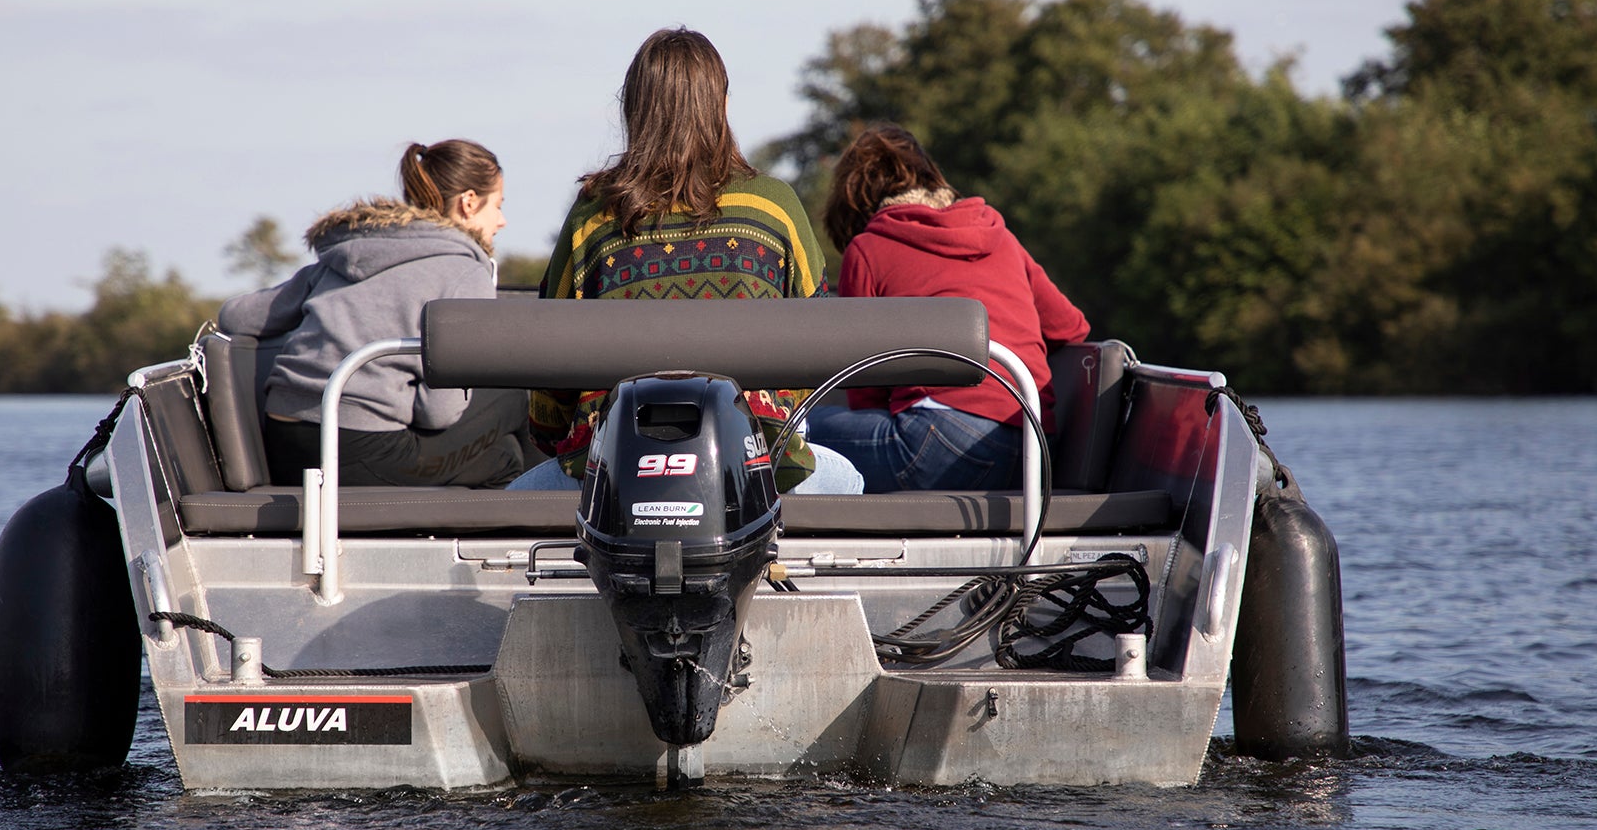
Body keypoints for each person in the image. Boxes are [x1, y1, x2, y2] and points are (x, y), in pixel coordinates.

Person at [511, 28, 862, 495]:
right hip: (758, 473)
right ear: (721, 105)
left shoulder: (592, 217)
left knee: (510, 510)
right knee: (851, 480)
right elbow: (820, 345)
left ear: (632, 108)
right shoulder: (773, 207)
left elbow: (549, 369)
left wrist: (557, 441)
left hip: (611, 475)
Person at [217, 139, 539, 488]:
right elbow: (437, 414)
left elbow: (237, 316)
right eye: (498, 206)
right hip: (357, 451)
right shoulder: (465, 273)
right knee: (507, 437)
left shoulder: (348, 251)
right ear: (469, 202)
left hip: (283, 443)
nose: (502, 221)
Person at [804, 125, 1090, 492]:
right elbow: (1072, 328)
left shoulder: (869, 248)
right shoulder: (998, 235)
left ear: (854, 200)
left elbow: (864, 390)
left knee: (787, 433)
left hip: (939, 447)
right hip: (1035, 453)